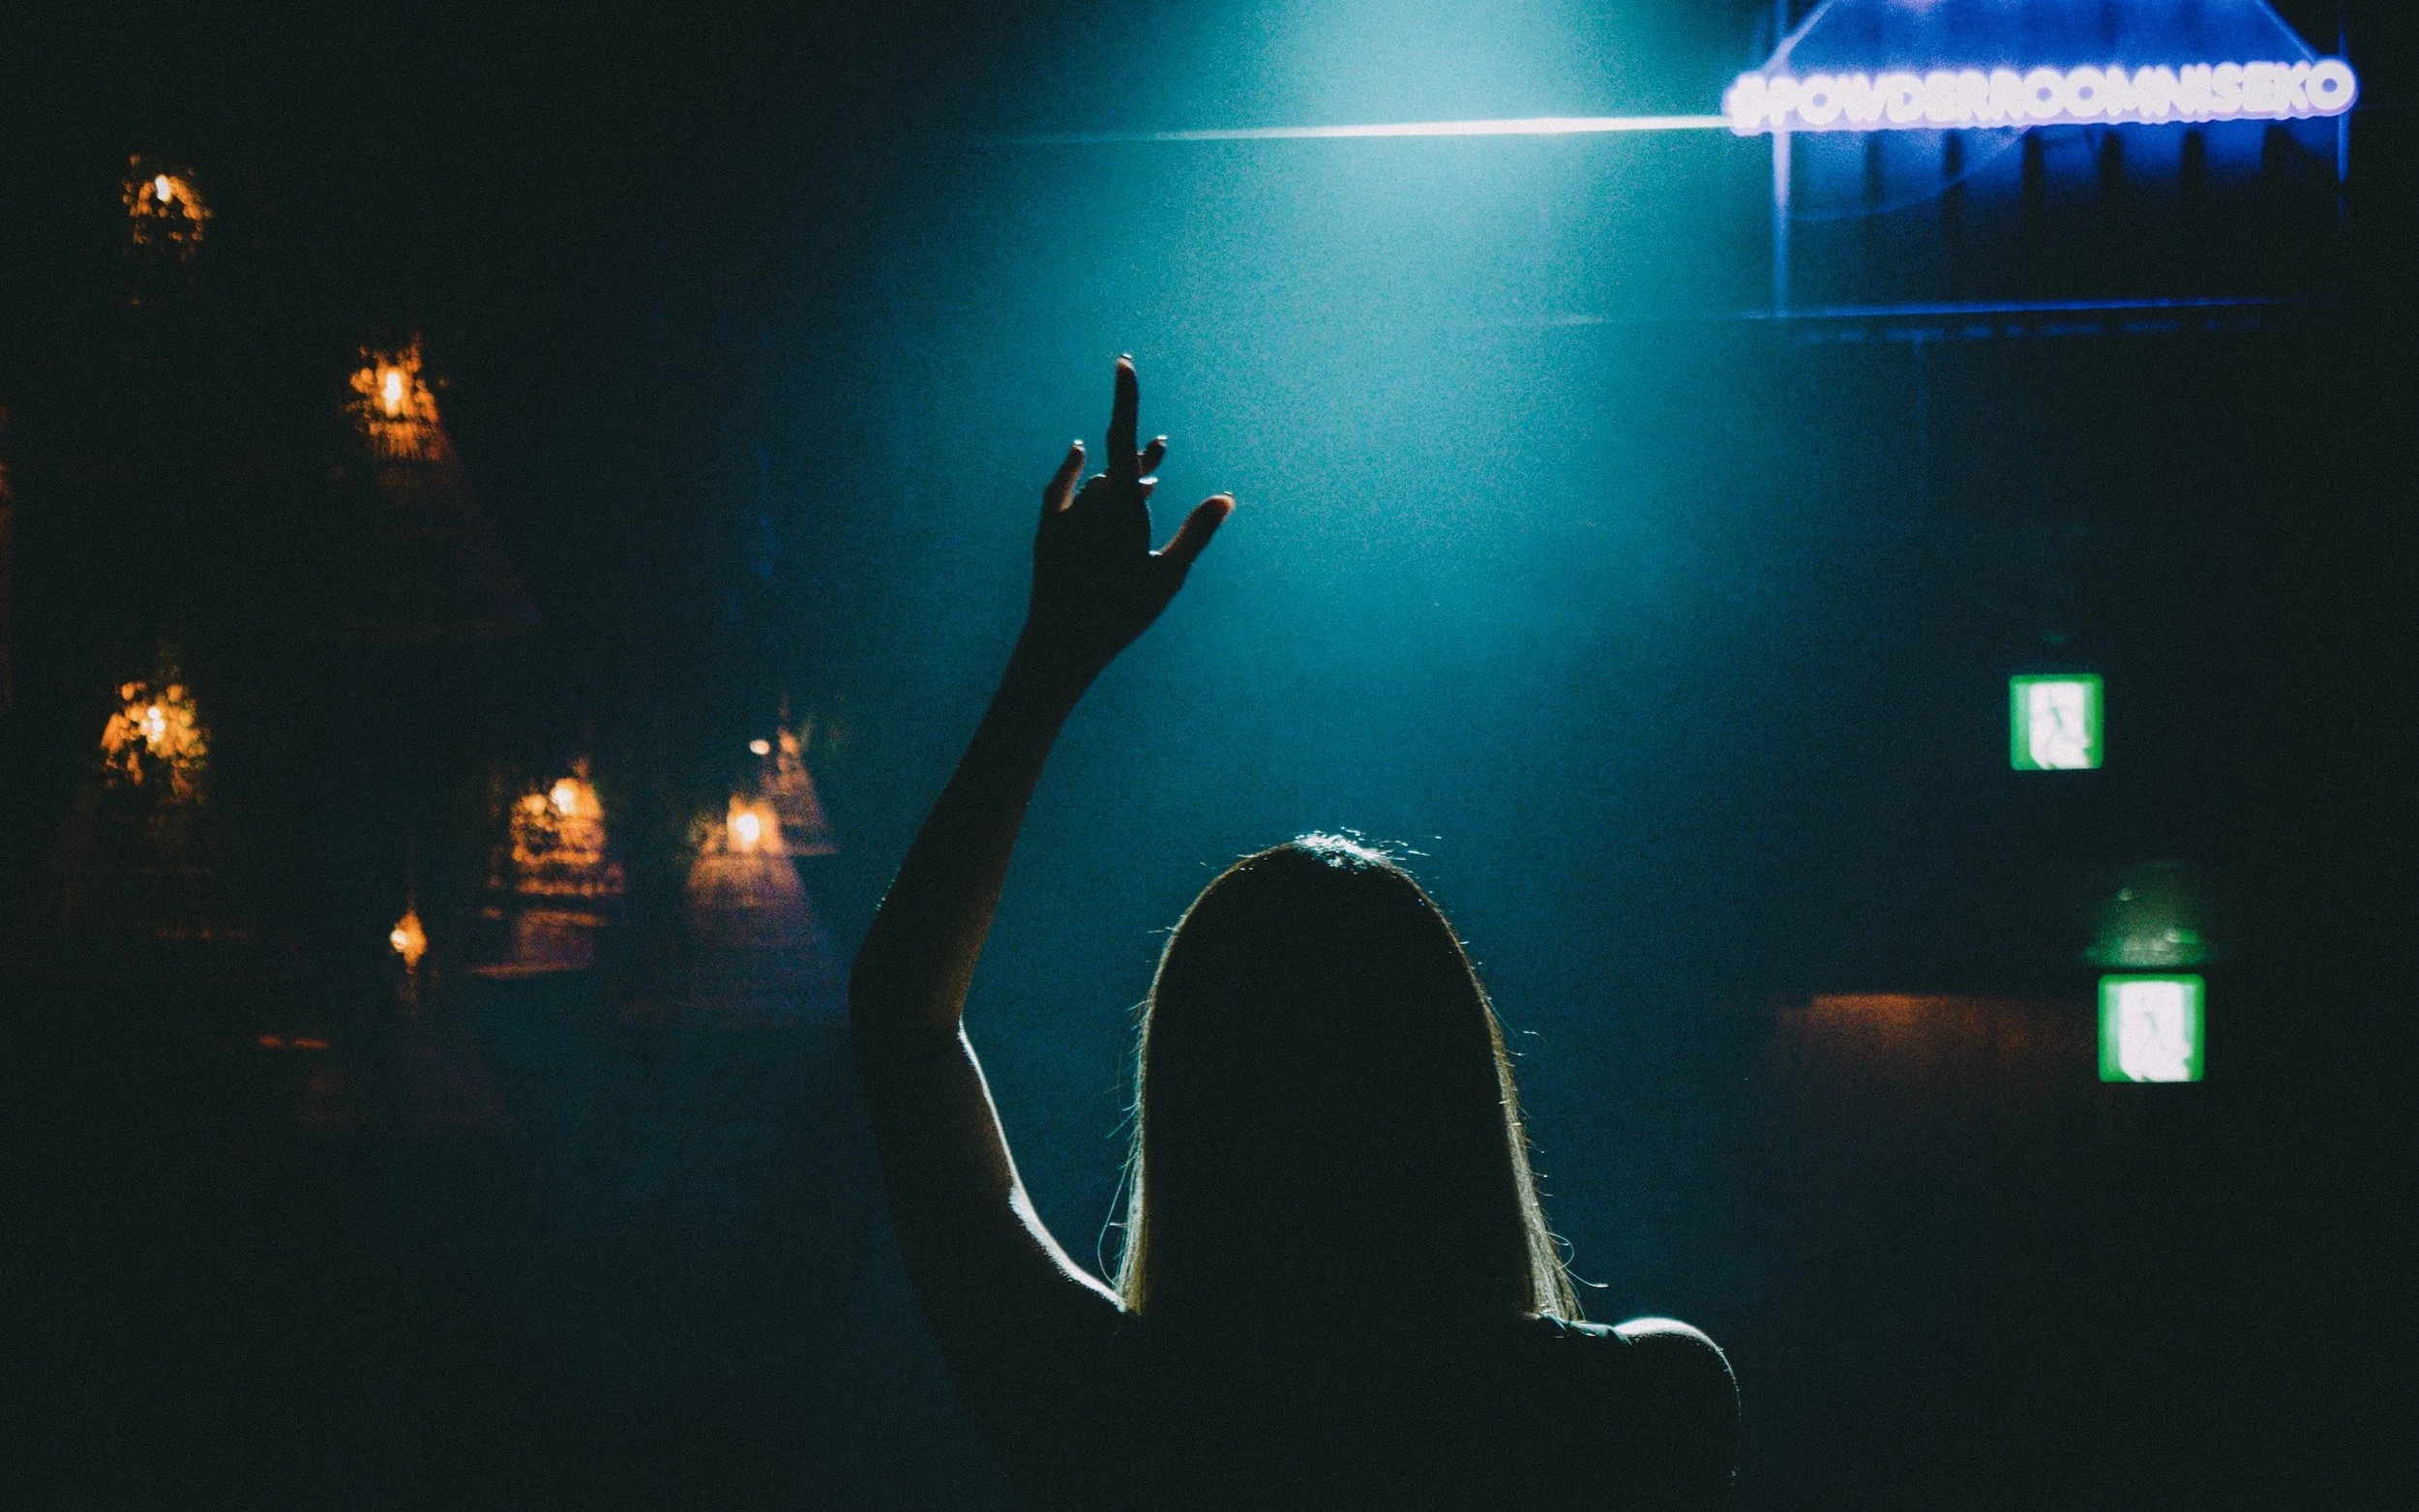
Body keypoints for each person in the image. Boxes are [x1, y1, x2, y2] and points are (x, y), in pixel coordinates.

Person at [851, 358, 1737, 1509]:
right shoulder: (1645, 1405)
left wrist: (1054, 657)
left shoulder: (1107, 1415)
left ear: (1199, 1099)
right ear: (1451, 1090)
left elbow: (899, 1026)